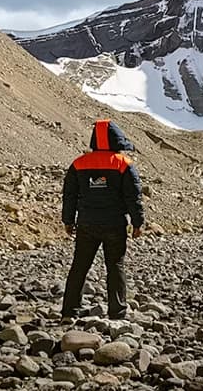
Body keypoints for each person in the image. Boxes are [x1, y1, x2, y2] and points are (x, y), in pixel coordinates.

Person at [61, 119, 145, 320]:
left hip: (86, 224)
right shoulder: (124, 164)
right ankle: (117, 312)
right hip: (114, 225)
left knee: (80, 266)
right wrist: (138, 222)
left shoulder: (79, 163)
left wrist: (68, 221)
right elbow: (133, 197)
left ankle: (69, 311)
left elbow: (69, 195)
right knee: (115, 266)